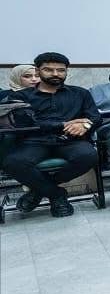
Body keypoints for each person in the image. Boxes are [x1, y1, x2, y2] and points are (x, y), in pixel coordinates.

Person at [2, 52, 100, 217]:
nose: (55, 74)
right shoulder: (21, 96)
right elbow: (25, 123)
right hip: (35, 142)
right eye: (49, 69)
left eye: (61, 70)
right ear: (38, 71)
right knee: (13, 162)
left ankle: (39, 190)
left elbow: (95, 117)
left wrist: (85, 124)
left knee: (89, 156)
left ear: (66, 72)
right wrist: (63, 124)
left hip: (71, 141)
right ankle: (57, 195)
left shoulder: (80, 93)